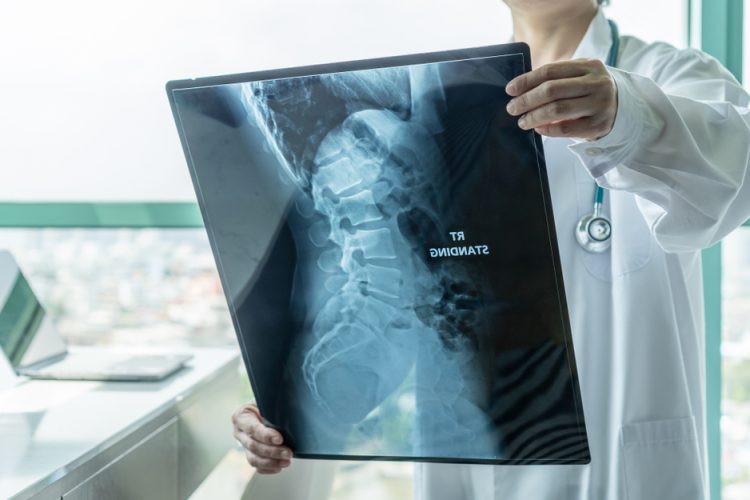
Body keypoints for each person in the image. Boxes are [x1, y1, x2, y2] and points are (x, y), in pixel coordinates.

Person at [231, 0, 750, 498]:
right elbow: (395, 300)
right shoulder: (441, 100)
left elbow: (736, 175)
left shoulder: (670, 74)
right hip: (471, 439)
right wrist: (288, 414)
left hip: (615, 443)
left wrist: (627, 114)